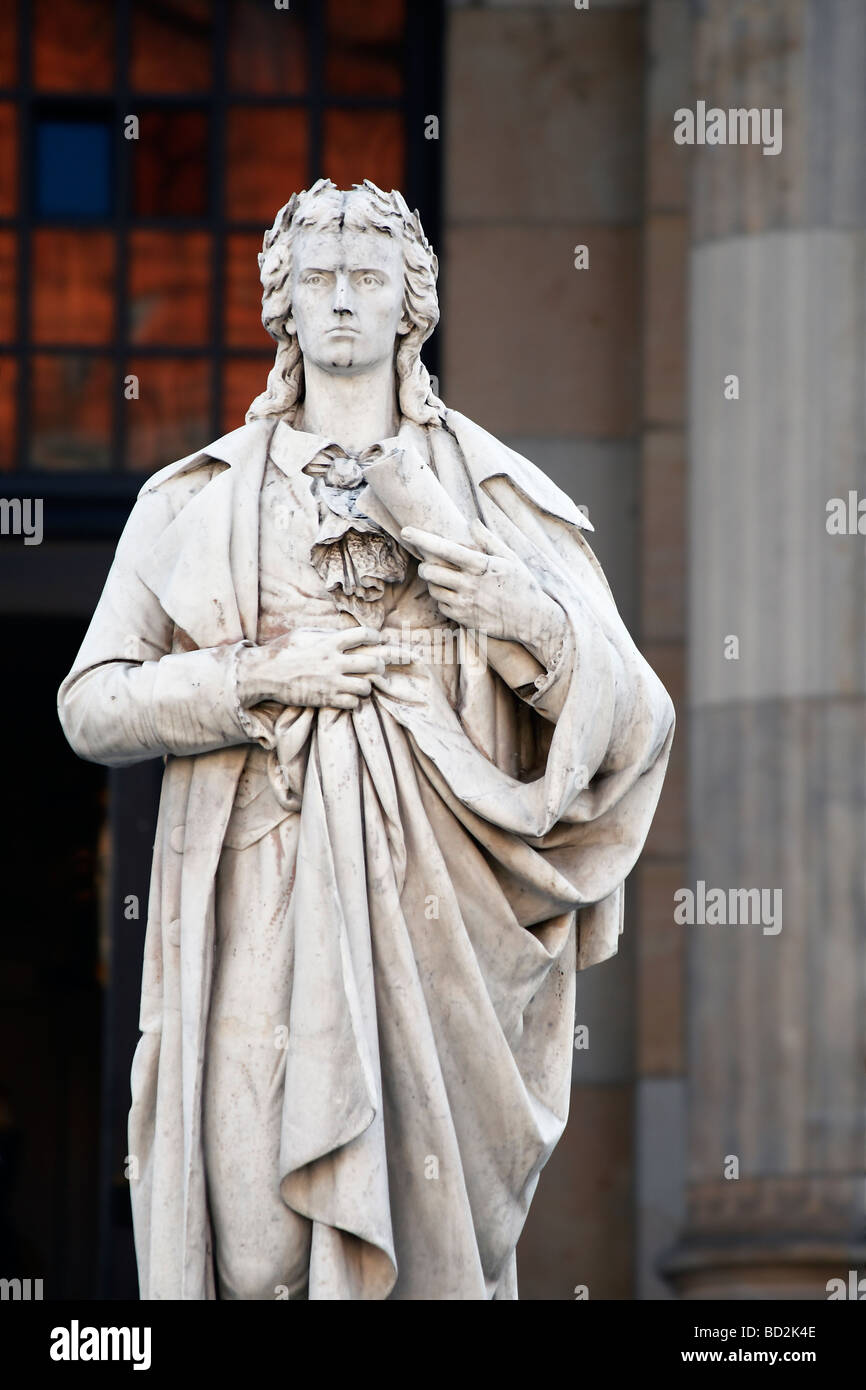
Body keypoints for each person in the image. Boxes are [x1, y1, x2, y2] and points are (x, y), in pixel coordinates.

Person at [57, 178, 675, 1300]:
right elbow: (90, 701)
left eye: (368, 278)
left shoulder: (496, 496)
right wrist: (254, 676)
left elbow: (636, 715)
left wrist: (516, 612)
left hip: (440, 930)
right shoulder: (190, 500)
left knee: (426, 1249)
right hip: (255, 910)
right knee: (255, 1242)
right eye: (318, 280)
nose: (341, 300)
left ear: (411, 306)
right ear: (280, 308)